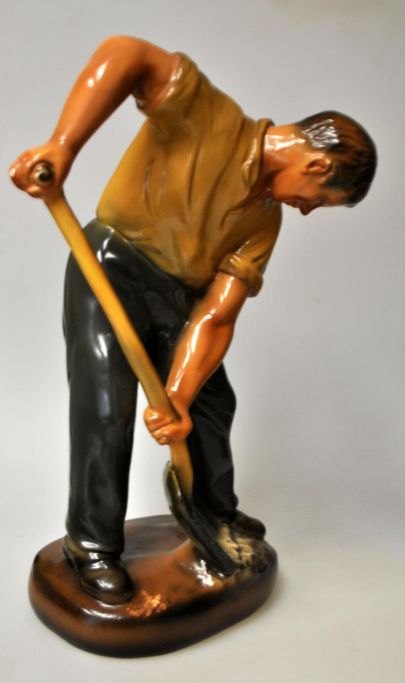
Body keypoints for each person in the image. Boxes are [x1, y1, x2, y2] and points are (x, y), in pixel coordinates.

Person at [10, 36, 377, 605]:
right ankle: (92, 546)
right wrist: (63, 145)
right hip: (108, 267)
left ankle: (213, 513)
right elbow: (127, 53)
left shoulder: (264, 221)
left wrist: (178, 396)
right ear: (317, 164)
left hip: (176, 296)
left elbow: (217, 313)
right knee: (106, 408)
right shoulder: (212, 118)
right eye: (318, 199)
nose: (306, 209)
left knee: (210, 403)